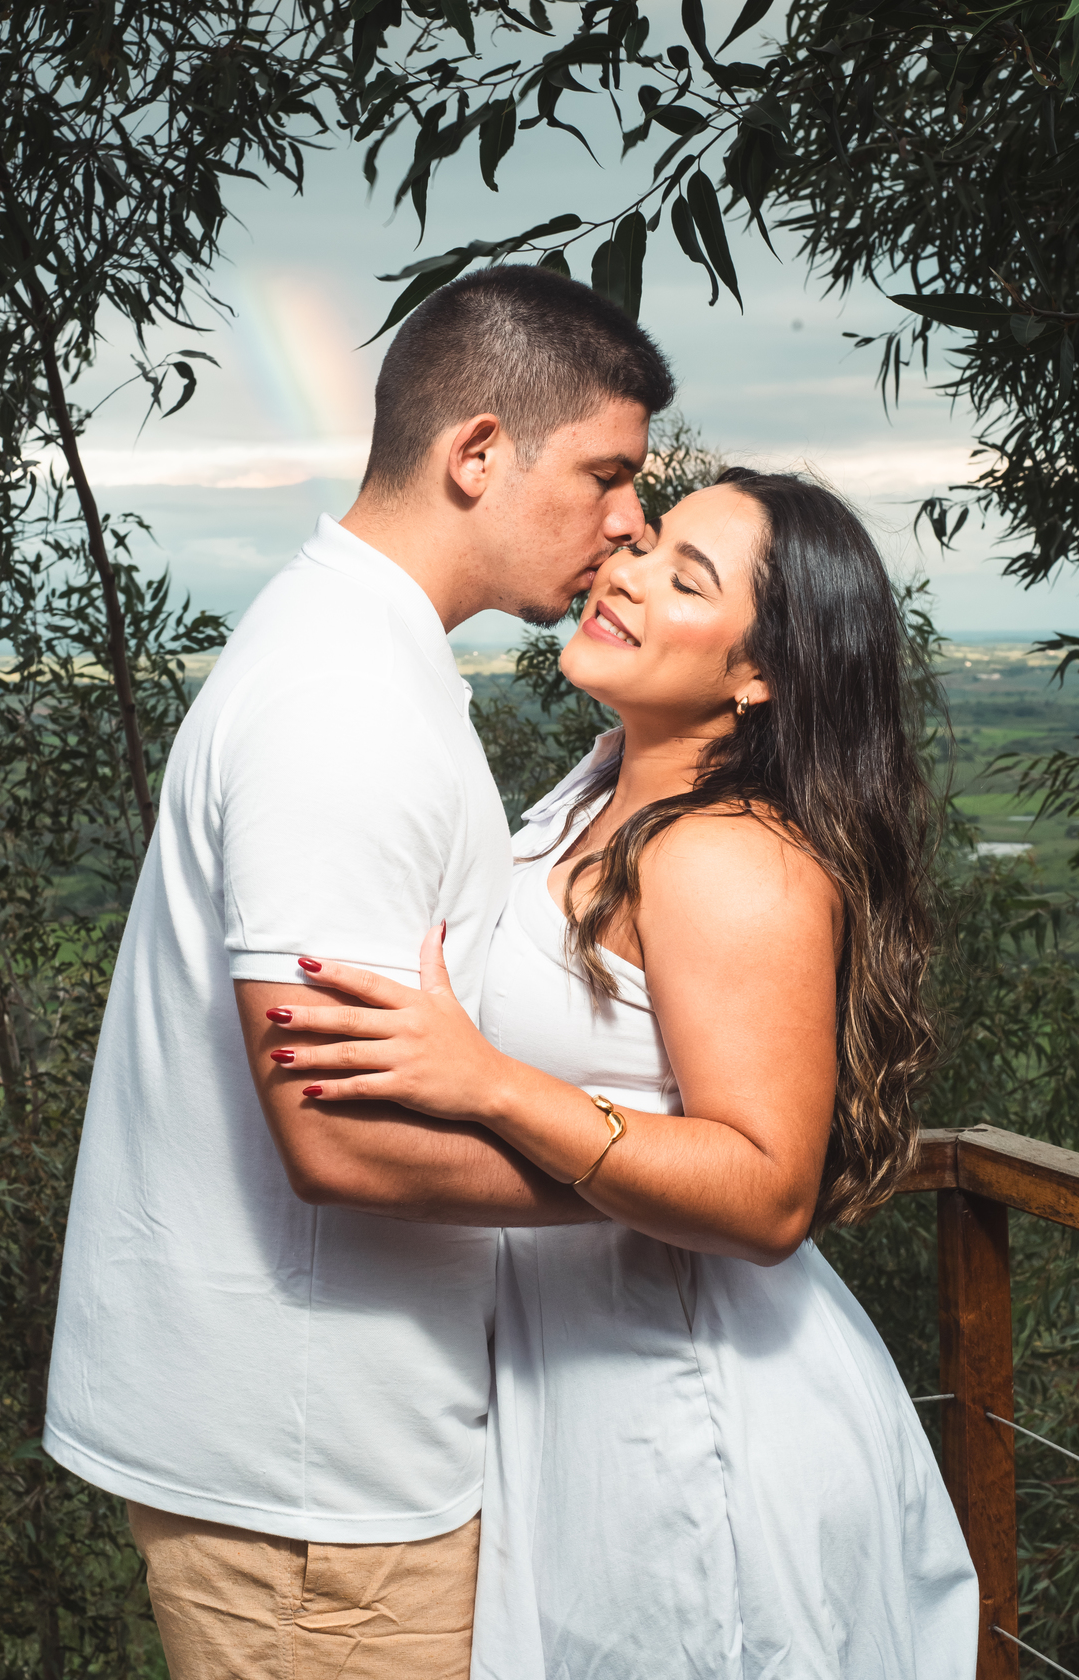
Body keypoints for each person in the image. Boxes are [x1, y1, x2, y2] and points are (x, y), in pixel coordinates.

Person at [43, 265, 674, 1679]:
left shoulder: (367, 654)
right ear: (477, 454)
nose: (633, 520)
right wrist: (666, 1188)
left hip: (329, 1454)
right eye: (609, 474)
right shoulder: (346, 700)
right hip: (308, 1486)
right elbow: (337, 1136)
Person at [267, 468, 981, 1678]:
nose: (628, 575)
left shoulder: (726, 858)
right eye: (648, 546)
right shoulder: (598, 789)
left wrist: (490, 1085)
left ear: (760, 676)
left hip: (698, 1425)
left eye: (686, 580)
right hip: (581, 1400)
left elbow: (769, 1194)